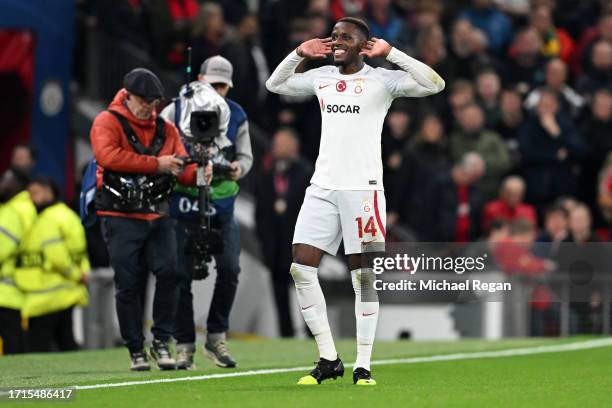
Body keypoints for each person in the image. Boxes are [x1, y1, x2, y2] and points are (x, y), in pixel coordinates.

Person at [266, 17, 444, 385]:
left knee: (363, 277)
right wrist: (300, 52)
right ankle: (328, 358)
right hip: (323, 187)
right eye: (333, 36)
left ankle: (363, 363)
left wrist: (392, 53)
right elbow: (275, 83)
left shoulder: (383, 80)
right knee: (300, 268)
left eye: (344, 37)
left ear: (364, 44)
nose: (335, 42)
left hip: (364, 190)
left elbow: (434, 84)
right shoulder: (321, 77)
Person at [90, 68, 209, 371]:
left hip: (157, 213)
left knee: (171, 273)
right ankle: (135, 349)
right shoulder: (106, 121)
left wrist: (196, 174)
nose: (149, 108)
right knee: (128, 283)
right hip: (119, 215)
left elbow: (179, 165)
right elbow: (108, 157)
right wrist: (157, 164)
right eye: (144, 101)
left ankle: (160, 341)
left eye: (154, 103)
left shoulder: (166, 129)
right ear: (127, 96)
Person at [161, 55, 252, 370]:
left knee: (230, 270)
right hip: (182, 204)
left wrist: (237, 167)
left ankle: (216, 336)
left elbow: (246, 157)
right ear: (199, 79)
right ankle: (185, 344)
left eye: (221, 86)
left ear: (229, 87)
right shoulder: (174, 109)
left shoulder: (236, 115)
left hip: (222, 204)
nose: (215, 91)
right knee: (180, 276)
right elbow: (158, 149)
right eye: (211, 84)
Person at [15, 176, 89, 352]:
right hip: (64, 292)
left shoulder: (49, 218)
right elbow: (79, 251)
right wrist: (80, 273)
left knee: (38, 347)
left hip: (48, 296)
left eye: (35, 193)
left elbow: (57, 258)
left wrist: (76, 274)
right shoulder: (65, 214)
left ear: (48, 192)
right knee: (66, 343)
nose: (31, 198)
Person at [255, 128, 313, 338]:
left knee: (306, 293)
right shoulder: (266, 175)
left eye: (282, 143)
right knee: (279, 295)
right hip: (275, 247)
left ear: (294, 146)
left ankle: (313, 333)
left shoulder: (307, 173)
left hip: (301, 247)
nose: (277, 147)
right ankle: (285, 335)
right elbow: (259, 213)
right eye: (276, 143)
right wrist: (264, 243)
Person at [0, 168, 36, 354]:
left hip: (8, 291)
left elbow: (3, 246)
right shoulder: (16, 207)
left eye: (6, 180)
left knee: (13, 345)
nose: (2, 184)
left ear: (18, 185)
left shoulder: (16, 210)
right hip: (10, 289)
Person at [449, 103, 511, 201]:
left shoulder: (493, 138)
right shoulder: (454, 141)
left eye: (476, 116)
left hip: (490, 191)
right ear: (461, 119)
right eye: (468, 117)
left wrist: (484, 165)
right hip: (461, 192)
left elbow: (505, 161)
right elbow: (448, 164)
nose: (472, 120)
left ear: (482, 118)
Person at [420, 152, 485, 242]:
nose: (475, 180)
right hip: (440, 243)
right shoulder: (439, 184)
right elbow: (428, 214)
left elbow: (476, 217)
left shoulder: (474, 190)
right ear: (463, 171)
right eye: (474, 177)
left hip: (465, 244)